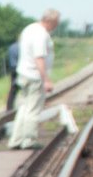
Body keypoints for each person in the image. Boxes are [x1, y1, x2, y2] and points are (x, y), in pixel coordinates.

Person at [9, 9, 76, 148]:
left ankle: (15, 140)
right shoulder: (41, 34)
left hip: (23, 73)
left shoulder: (29, 28)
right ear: (50, 21)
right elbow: (39, 58)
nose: (56, 26)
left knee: (24, 108)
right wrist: (46, 79)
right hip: (34, 76)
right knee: (33, 109)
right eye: (56, 23)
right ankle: (29, 140)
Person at [5, 37, 21, 111]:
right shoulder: (21, 46)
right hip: (20, 68)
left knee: (13, 88)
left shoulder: (11, 47)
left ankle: (9, 107)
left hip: (13, 68)